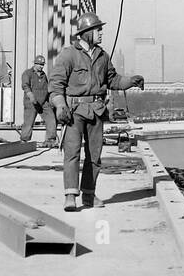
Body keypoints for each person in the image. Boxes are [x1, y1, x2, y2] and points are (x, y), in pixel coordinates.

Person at [49, 13, 144, 212]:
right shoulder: (68, 55)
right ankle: (70, 195)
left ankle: (89, 196)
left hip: (97, 110)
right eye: (97, 29)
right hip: (74, 111)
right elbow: (56, 85)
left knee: (94, 156)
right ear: (85, 33)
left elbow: (113, 80)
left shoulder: (102, 56)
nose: (100, 33)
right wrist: (60, 106)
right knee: (72, 153)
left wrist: (131, 81)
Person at [18, 55, 54, 148]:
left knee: (51, 119)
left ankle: (50, 140)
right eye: (39, 64)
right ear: (35, 64)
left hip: (43, 102)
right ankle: (24, 140)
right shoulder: (27, 73)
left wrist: (49, 100)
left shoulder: (43, 75)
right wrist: (30, 95)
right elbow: (25, 85)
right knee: (28, 122)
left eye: (42, 65)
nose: (41, 66)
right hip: (31, 102)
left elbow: (47, 87)